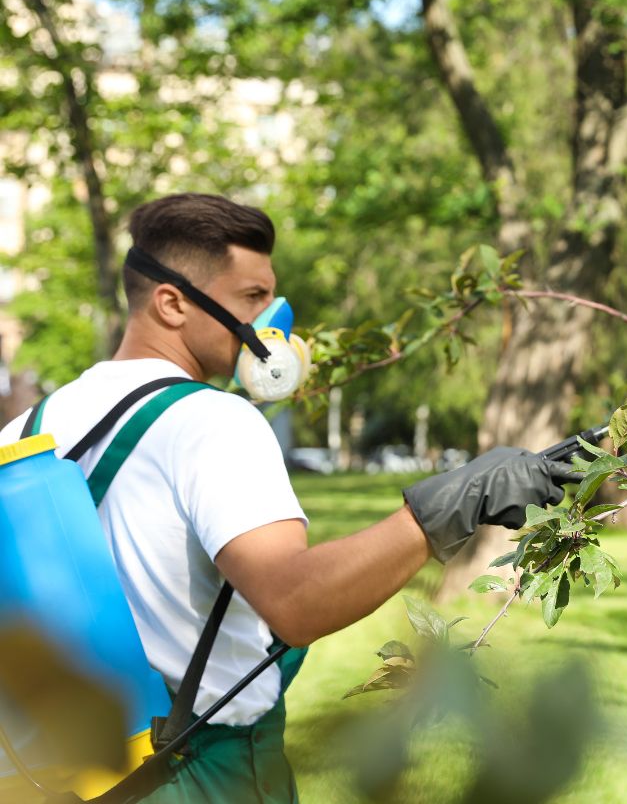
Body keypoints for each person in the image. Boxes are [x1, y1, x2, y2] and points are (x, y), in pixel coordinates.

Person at [0, 193, 571, 803]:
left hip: (61, 778)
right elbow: (295, 601)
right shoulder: (213, 421)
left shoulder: (28, 428)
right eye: (251, 299)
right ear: (170, 303)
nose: (271, 321)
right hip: (201, 774)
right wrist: (448, 507)